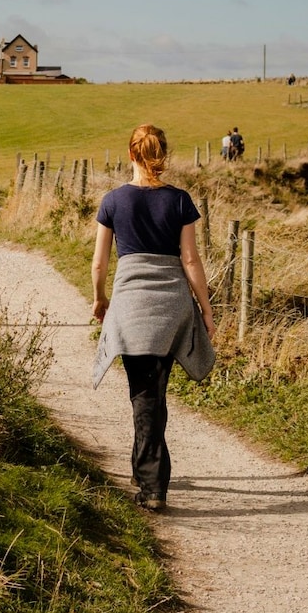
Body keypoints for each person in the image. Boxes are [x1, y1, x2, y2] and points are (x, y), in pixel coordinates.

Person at [89, 124, 217, 511]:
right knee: (153, 394)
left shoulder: (112, 201)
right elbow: (191, 260)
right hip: (172, 308)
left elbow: (99, 264)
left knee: (144, 396)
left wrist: (100, 300)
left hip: (131, 308)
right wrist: (206, 309)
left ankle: (152, 487)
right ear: (163, 154)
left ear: (130, 154)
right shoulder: (180, 201)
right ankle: (145, 472)